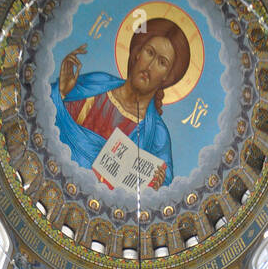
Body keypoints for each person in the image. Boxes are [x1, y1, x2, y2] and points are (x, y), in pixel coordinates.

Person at [52, 18, 192, 189]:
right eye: (149, 52)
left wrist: (156, 185)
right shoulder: (96, 84)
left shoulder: (157, 134)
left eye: (162, 63)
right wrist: (61, 93)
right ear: (138, 53)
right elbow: (47, 117)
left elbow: (161, 192)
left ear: (167, 77)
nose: (150, 65)